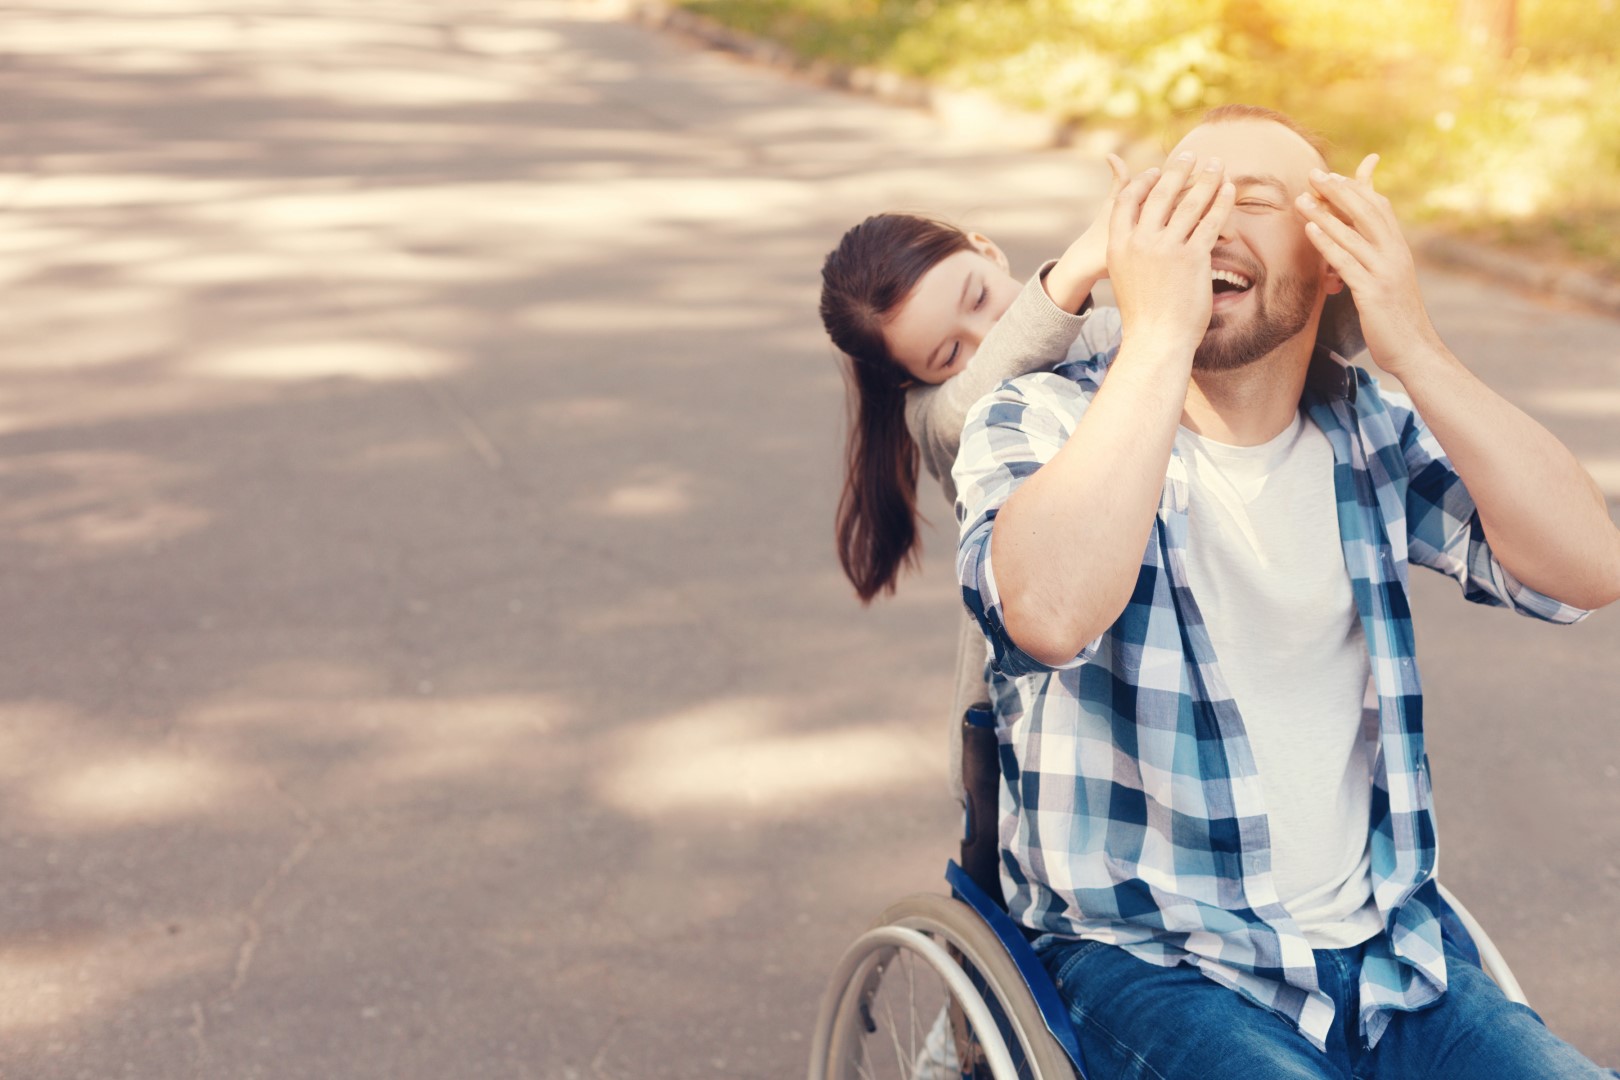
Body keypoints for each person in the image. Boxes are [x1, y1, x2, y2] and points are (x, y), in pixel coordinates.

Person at [953, 103, 1620, 1078]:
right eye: (1185, 198)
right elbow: (1048, 615)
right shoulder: (1041, 417)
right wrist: (1156, 338)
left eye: (1255, 200)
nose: (1212, 223)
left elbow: (1587, 567)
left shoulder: (1368, 430)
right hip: (1148, 962)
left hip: (1391, 961)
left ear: (1331, 254)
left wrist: (1416, 349)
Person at [818, 162, 1126, 788]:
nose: (984, 337)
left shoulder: (1107, 332)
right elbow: (984, 391)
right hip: (1048, 725)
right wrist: (1077, 267)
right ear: (912, 380)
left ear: (986, 249)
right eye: (951, 354)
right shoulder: (938, 417)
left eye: (980, 297)